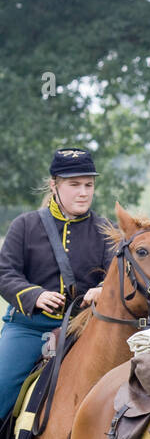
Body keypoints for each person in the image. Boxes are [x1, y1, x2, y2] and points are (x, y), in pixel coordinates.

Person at [0, 147, 114, 420]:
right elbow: (5, 273)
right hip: (29, 329)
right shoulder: (24, 225)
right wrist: (34, 296)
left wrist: (104, 289)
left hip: (84, 329)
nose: (83, 192)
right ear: (54, 185)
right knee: (2, 389)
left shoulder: (104, 229)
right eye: (74, 185)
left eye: (89, 185)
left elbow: (117, 276)